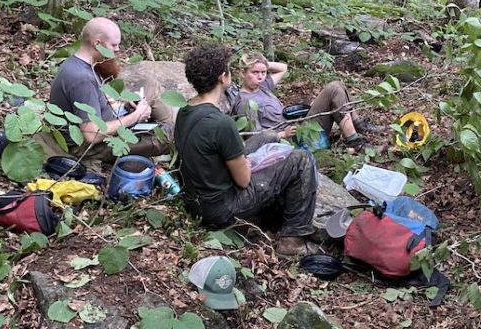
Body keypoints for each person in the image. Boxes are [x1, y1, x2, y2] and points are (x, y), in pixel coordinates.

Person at [176, 43, 316, 256]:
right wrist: (248, 163)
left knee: (267, 135)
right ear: (224, 77)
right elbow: (243, 180)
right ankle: (292, 240)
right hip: (221, 207)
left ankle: (267, 213)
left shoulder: (185, 111)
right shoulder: (222, 123)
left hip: (197, 200)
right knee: (301, 159)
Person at [46, 17, 173, 165]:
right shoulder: (83, 79)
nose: (118, 50)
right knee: (173, 135)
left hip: (109, 118)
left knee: (150, 84)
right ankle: (169, 135)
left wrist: (126, 106)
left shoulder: (80, 62)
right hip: (89, 146)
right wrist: (136, 116)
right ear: (97, 43)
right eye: (114, 45)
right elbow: (91, 135)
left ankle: (164, 126)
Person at [232, 53, 378, 148]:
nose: (260, 77)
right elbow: (255, 139)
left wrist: (261, 63)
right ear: (243, 73)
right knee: (333, 88)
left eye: (263, 73)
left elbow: (283, 68)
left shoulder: (262, 86)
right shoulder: (245, 102)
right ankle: (355, 141)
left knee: (338, 84)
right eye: (254, 72)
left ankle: (359, 125)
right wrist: (283, 134)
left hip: (299, 126)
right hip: (293, 140)